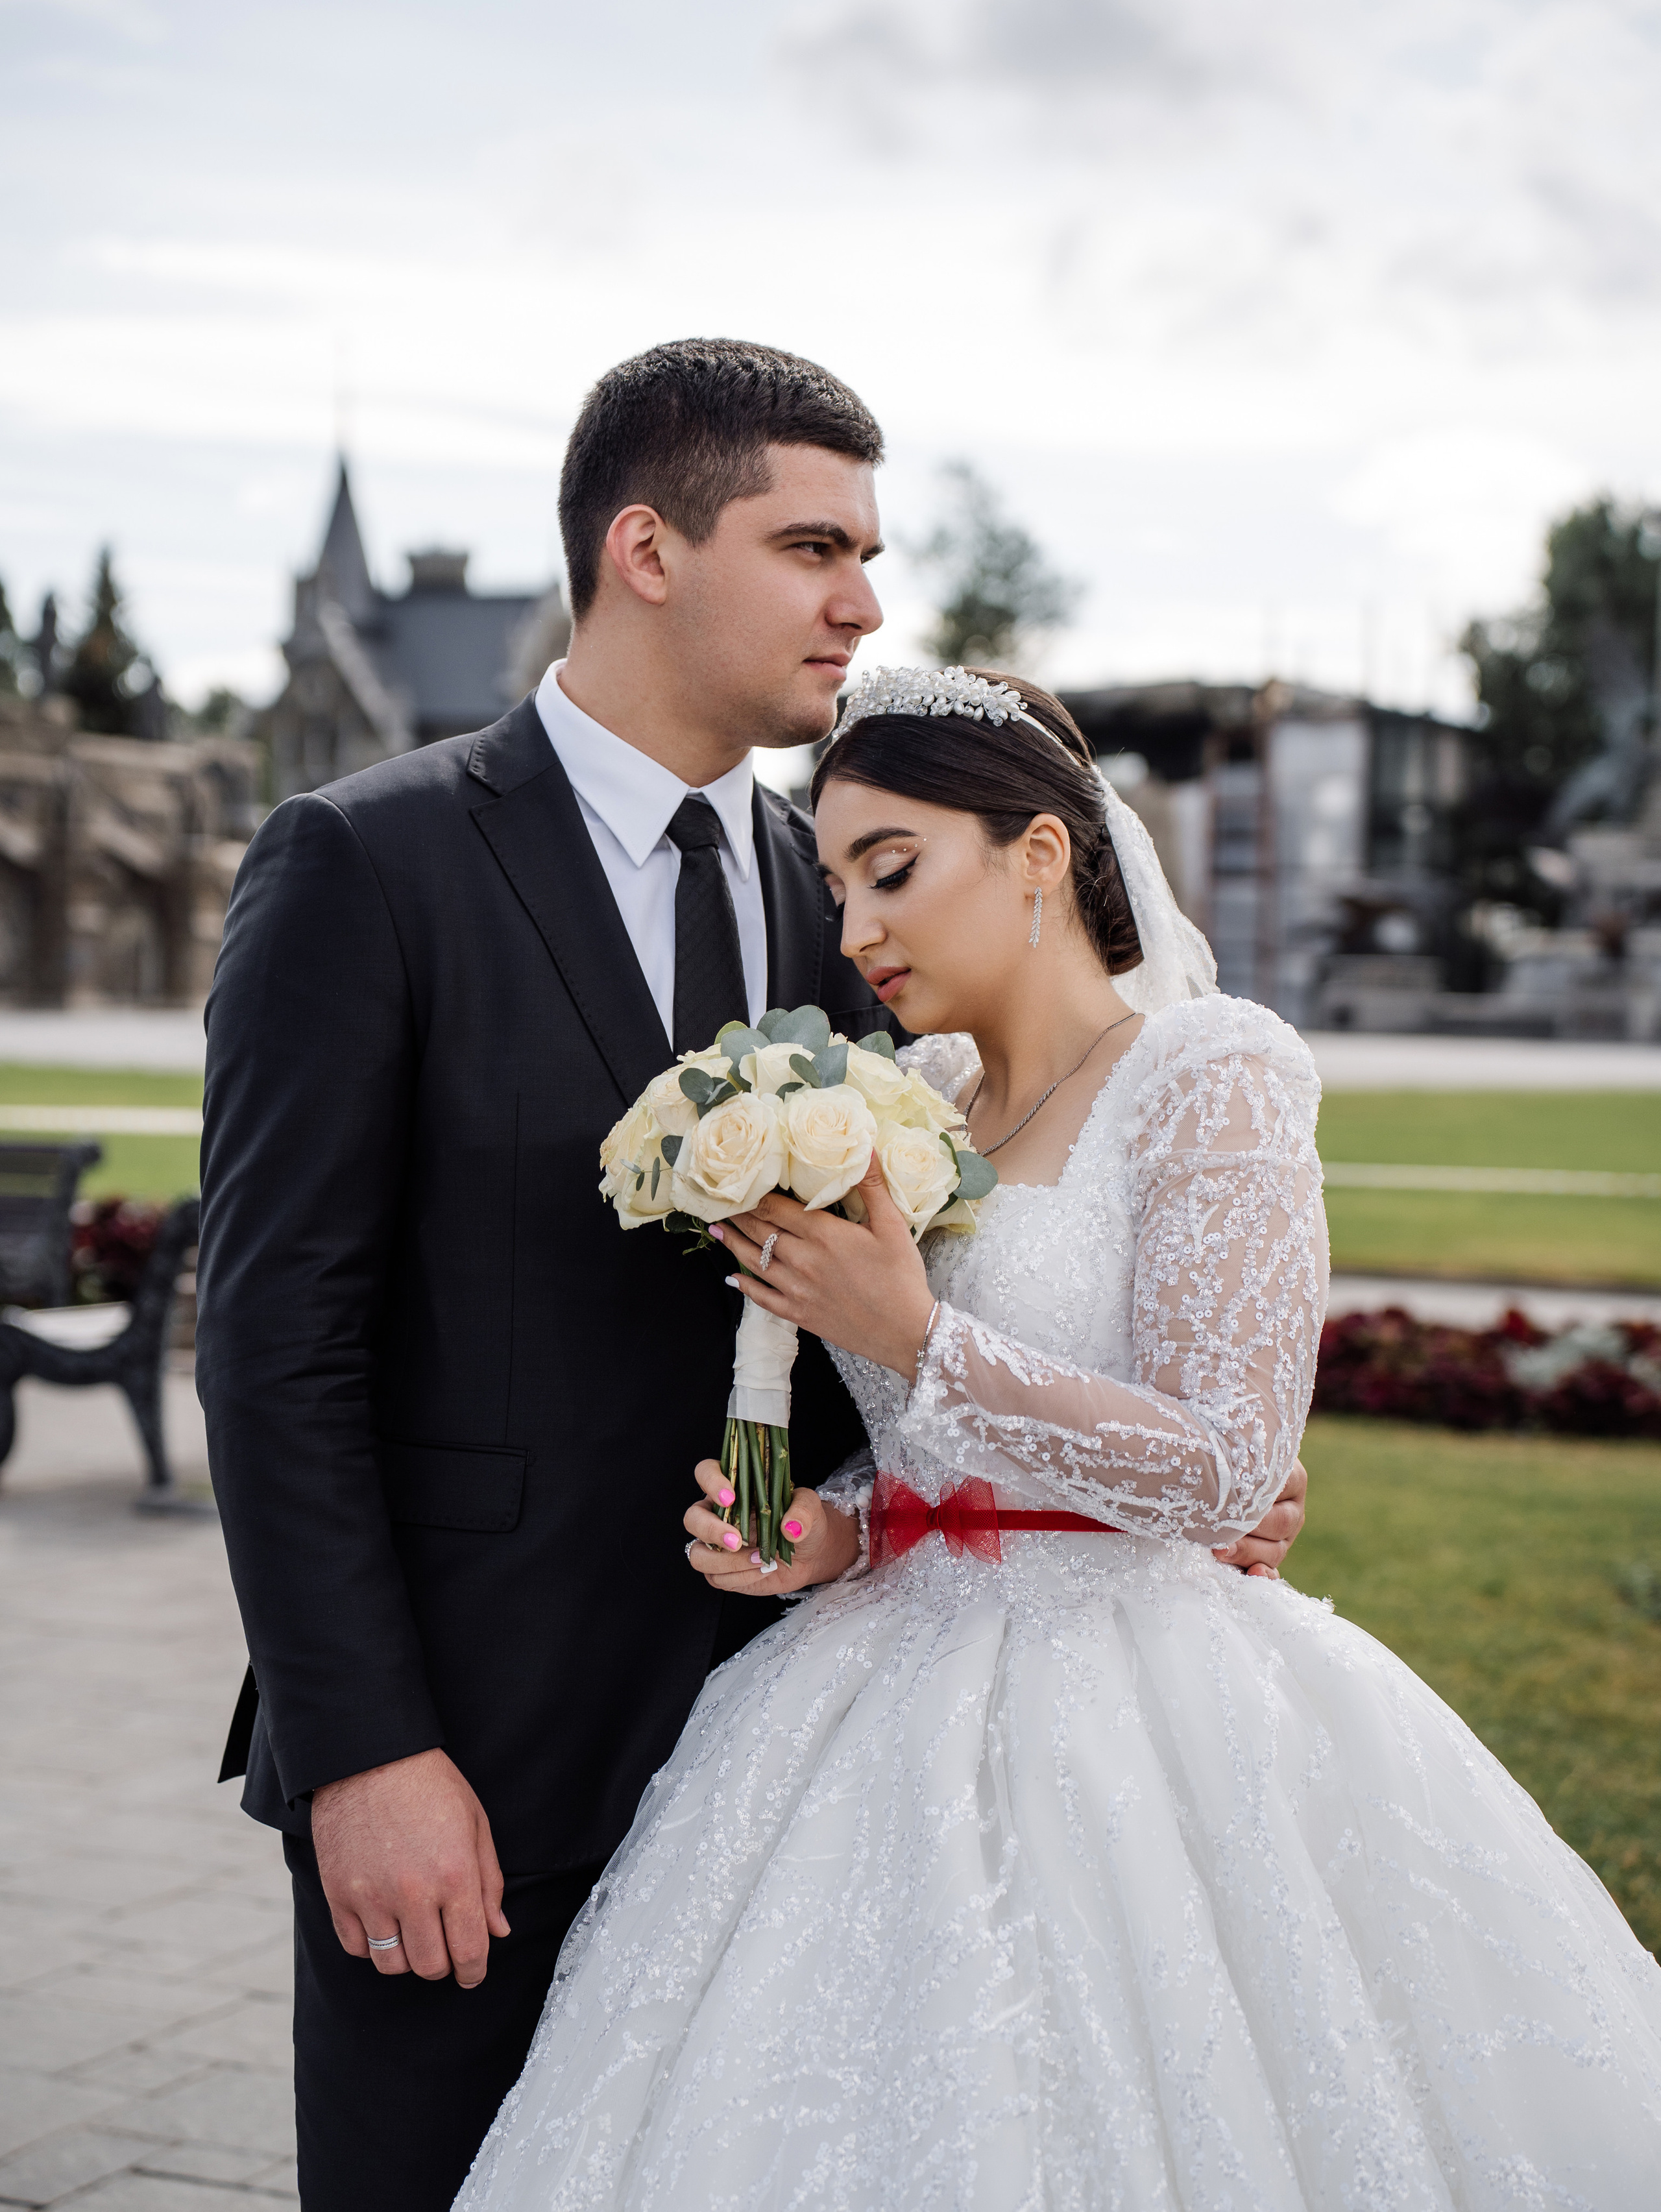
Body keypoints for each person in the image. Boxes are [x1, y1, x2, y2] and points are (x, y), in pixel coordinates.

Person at [196, 338, 1316, 2210]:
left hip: (807, 1744)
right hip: (475, 1749)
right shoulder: (362, 862)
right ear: (647, 548)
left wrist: (1180, 1453)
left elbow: (1024, 1240)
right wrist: (365, 1750)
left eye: (866, 552)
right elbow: (274, 1347)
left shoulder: (849, 893)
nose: (862, 604)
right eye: (814, 547)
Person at [455, 666, 1661, 2211]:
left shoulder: (1210, 1071)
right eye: (833, 884)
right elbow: (927, 1456)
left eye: (891, 870)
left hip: (1139, 1704)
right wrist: (833, 1524)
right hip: (864, 1694)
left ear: (1036, 855)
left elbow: (1227, 1461)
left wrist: (914, 1332)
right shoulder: (910, 1099)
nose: (855, 928)